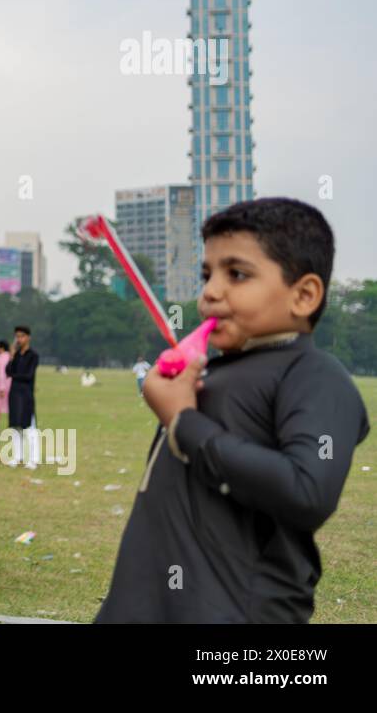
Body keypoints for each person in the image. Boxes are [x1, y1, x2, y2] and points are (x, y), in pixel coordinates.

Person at [97, 198, 369, 623]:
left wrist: (184, 422)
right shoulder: (213, 373)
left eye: (236, 274)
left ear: (304, 295)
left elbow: (308, 491)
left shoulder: (315, 375)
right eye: (207, 274)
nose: (210, 291)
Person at [5, 325, 40, 468]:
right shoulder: (16, 355)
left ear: (28, 337)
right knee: (15, 427)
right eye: (17, 336)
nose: (19, 339)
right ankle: (17, 457)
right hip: (14, 394)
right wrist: (11, 356)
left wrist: (15, 375)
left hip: (26, 395)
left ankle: (33, 459)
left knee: (29, 428)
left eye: (21, 336)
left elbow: (28, 375)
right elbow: (8, 372)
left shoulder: (33, 355)